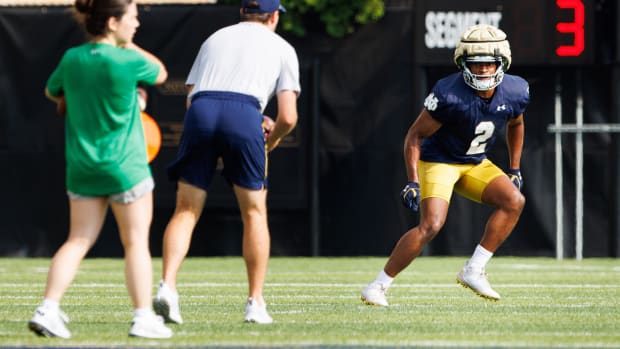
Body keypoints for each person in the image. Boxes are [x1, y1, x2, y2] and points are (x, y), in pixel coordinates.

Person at [28, 0, 172, 339]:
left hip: (83, 168)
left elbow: (52, 93)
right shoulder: (127, 59)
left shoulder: (72, 58)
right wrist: (129, 45)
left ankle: (47, 308)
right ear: (112, 22)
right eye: (132, 18)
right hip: (126, 168)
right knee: (136, 242)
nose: (136, 24)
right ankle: (142, 317)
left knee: (77, 240)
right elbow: (161, 73)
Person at [152, 0, 300, 325]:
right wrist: (269, 142)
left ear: (243, 13)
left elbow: (192, 98)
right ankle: (255, 303)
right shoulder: (282, 47)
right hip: (245, 112)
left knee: (186, 209)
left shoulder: (215, 38)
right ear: (274, 16)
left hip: (202, 110)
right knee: (253, 212)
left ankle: (167, 287)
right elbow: (288, 117)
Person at [361, 24, 529, 306]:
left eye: (490, 64)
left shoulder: (515, 90)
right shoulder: (450, 93)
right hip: (439, 161)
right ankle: (377, 286)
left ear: (503, 63)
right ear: (463, 64)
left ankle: (474, 269)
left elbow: (517, 123)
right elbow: (414, 135)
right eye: (476, 65)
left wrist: (514, 168)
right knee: (431, 225)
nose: (484, 71)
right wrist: (412, 180)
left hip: (474, 162)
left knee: (514, 201)